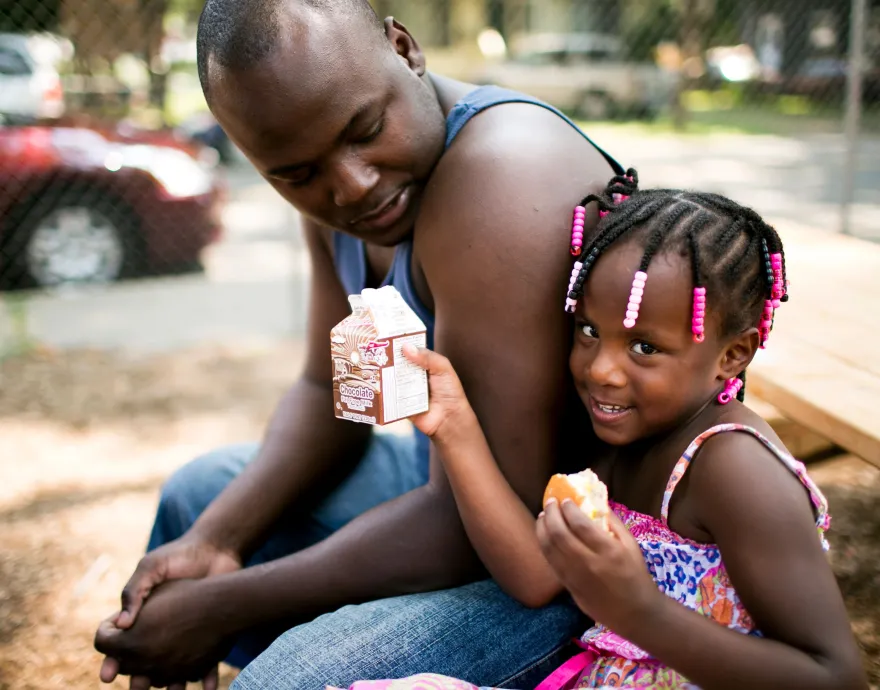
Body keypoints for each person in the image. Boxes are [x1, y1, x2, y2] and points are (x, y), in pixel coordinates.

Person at [93, 0, 624, 688]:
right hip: (461, 497)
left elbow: (478, 526)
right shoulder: (337, 184)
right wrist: (215, 545)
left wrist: (220, 604)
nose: (352, 185)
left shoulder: (499, 179)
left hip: (584, 561)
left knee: (288, 681)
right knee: (197, 501)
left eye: (365, 130)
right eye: (296, 173)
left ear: (403, 47)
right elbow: (328, 393)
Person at [326, 171, 868, 690]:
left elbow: (834, 677)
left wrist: (640, 610)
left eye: (645, 347)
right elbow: (538, 579)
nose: (600, 370)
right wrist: (453, 426)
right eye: (588, 331)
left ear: (733, 354)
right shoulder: (616, 439)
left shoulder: (735, 469)